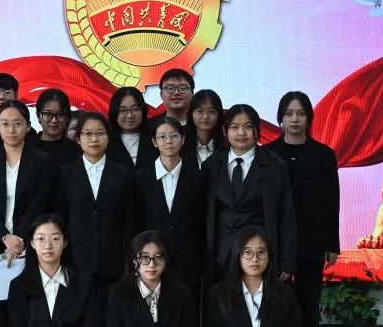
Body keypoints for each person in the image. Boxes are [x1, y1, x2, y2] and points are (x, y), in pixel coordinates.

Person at [265, 91, 340, 327]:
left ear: (309, 118)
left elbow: (332, 201)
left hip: (311, 242)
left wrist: (332, 243)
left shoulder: (323, 155)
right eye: (289, 113)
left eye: (300, 113)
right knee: (276, 308)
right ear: (280, 118)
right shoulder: (268, 154)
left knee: (308, 307)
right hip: (276, 244)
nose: (295, 119)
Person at [204, 104, 298, 282]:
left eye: (248, 127)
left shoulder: (275, 166)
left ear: (257, 130)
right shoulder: (211, 165)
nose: (241, 133)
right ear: (225, 131)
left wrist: (287, 261)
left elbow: (286, 215)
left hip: (259, 256)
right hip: (219, 256)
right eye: (234, 127)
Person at [57, 111, 136, 292]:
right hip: (77, 261)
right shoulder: (66, 173)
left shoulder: (122, 173)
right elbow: (61, 217)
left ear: (108, 138)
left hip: (114, 262)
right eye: (88, 134)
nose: (94, 139)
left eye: (100, 133)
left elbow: (129, 220)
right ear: (78, 139)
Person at [0, 100, 55, 265]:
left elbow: (39, 202)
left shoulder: (42, 160)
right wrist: (4, 236)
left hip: (28, 242)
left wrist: (17, 240)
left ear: (28, 126)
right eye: (5, 124)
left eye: (17, 124)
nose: (11, 130)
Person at [135, 117, 204, 297]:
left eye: (174, 136)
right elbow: (137, 219)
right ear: (154, 142)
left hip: (188, 260)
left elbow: (201, 220)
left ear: (183, 139)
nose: (168, 141)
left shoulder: (197, 177)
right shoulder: (141, 178)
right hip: (151, 260)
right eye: (162, 137)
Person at [106, 86, 156, 170]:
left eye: (135, 109)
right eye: (123, 110)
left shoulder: (155, 138)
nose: (129, 115)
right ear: (114, 113)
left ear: (143, 111)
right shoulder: (105, 141)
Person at [185, 89, 228, 169]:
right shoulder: (180, 143)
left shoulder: (228, 146)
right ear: (191, 113)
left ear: (219, 115)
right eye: (200, 111)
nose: (205, 116)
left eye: (212, 111)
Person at [35, 89, 79, 166]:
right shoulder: (26, 149)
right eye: (48, 114)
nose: (54, 120)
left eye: (60, 114)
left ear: (67, 117)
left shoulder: (77, 150)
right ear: (38, 116)